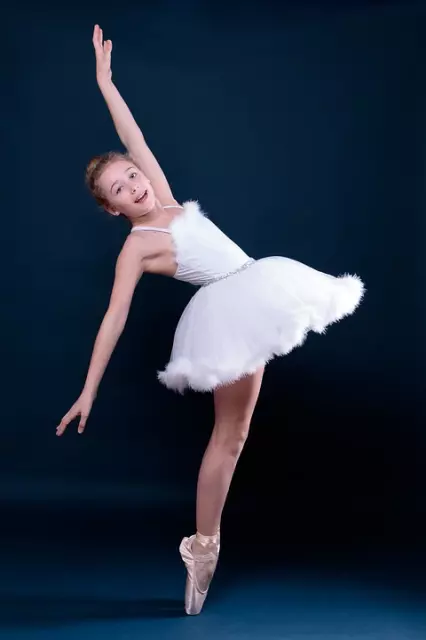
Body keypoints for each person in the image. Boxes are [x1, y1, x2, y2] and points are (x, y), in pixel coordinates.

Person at [57, 24, 364, 615]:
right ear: (111, 208)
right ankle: (203, 546)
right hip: (229, 310)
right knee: (229, 437)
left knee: (235, 436)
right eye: (120, 188)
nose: (134, 186)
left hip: (254, 284)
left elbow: (133, 134)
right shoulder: (137, 245)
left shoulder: (166, 197)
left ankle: (202, 545)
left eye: (132, 174)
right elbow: (114, 317)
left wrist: (105, 83)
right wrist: (88, 390)